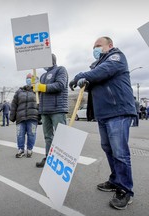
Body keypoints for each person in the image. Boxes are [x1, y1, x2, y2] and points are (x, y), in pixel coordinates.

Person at [69, 36, 137, 210]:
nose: (95, 49)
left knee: (120, 152)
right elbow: (93, 81)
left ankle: (125, 190)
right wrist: (85, 82)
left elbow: (103, 72)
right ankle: (116, 180)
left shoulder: (116, 57)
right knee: (108, 148)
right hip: (104, 113)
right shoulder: (96, 66)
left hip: (118, 110)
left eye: (98, 45)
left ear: (110, 45)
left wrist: (80, 76)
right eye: (93, 47)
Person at [34, 53, 69, 168]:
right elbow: (41, 93)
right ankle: (49, 158)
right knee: (48, 136)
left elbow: (60, 85)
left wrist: (43, 87)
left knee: (61, 136)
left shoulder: (60, 70)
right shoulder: (43, 75)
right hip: (45, 111)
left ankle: (63, 160)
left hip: (57, 109)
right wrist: (36, 88)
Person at [10, 73, 39, 158]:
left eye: (31, 78)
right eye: (28, 78)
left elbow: (41, 103)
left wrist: (40, 116)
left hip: (33, 117)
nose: (29, 79)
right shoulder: (19, 91)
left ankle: (30, 149)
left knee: (32, 134)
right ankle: (21, 149)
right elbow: (14, 104)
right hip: (20, 117)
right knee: (20, 134)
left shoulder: (37, 91)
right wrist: (12, 116)